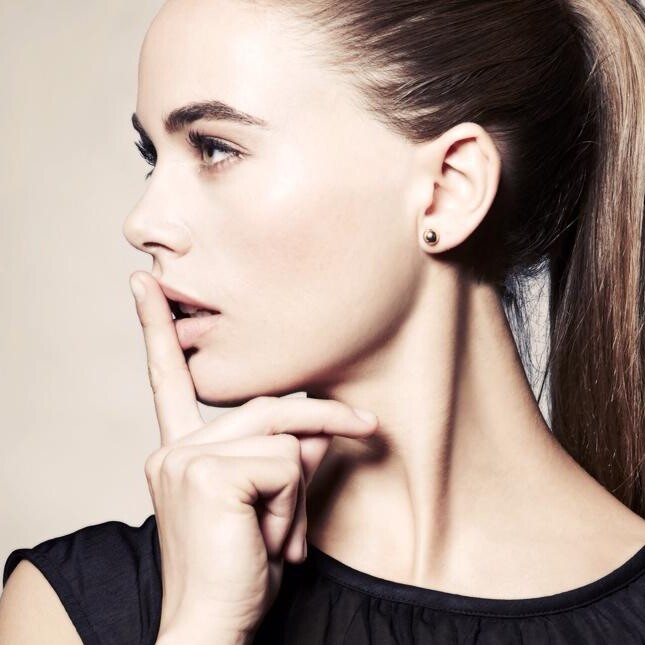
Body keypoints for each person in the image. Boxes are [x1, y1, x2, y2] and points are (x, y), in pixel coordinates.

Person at [3, 0, 645, 642]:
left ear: (447, 190)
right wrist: (202, 623)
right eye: (153, 157)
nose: (142, 222)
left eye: (215, 148)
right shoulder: (78, 606)